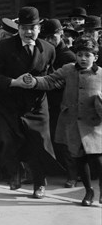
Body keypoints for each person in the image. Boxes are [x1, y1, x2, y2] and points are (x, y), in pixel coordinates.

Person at [0, 6, 58, 199]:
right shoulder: (3, 47)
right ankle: (14, 172)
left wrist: (37, 83)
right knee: (6, 139)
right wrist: (13, 82)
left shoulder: (48, 49)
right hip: (8, 103)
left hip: (36, 104)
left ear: (39, 28)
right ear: (18, 29)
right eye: (24, 28)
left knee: (39, 144)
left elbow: (54, 78)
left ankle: (39, 184)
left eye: (32, 27)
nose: (28, 32)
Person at [17, 36, 102, 206]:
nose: (83, 59)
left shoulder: (101, 74)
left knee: (98, 160)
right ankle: (88, 191)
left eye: (88, 55)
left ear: (95, 57)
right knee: (80, 159)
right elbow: (50, 80)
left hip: (95, 125)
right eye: (79, 55)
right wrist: (33, 81)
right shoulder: (68, 69)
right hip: (73, 123)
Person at [39, 18, 78, 187]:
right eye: (46, 37)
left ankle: (73, 175)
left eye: (52, 36)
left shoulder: (67, 56)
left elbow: (65, 81)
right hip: (51, 102)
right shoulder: (47, 51)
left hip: (65, 103)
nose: (49, 41)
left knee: (67, 141)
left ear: (61, 34)